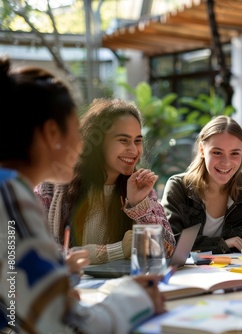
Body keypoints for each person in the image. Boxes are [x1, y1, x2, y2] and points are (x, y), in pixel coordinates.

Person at [0, 56, 165, 333]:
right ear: (52, 132)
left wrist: (57, 286)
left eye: (138, 140)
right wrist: (135, 298)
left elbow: (17, 306)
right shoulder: (10, 196)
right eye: (76, 130)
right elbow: (67, 327)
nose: (82, 143)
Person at [34, 98, 176, 264]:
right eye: (123, 140)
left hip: (124, 285)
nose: (133, 150)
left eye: (137, 140)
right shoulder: (52, 186)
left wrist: (138, 205)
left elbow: (168, 249)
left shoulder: (138, 187)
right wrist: (117, 250)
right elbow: (39, 251)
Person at [161, 116, 242, 253]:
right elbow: (170, 242)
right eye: (217, 152)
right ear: (202, 150)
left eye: (234, 153)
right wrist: (222, 243)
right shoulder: (178, 186)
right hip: (190, 272)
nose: (226, 162)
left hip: (236, 270)